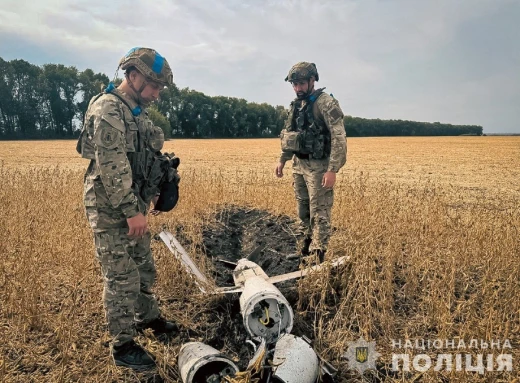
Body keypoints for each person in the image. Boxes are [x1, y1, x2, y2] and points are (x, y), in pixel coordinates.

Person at [76, 47, 178, 370]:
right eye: (154, 86)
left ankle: (147, 317)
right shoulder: (108, 109)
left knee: (144, 267)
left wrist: (162, 178)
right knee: (121, 279)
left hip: (133, 205)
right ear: (133, 76)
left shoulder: (136, 111)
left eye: (160, 88)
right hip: (111, 210)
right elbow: (112, 166)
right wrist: (131, 211)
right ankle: (122, 346)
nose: (157, 94)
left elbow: (143, 156)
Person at [275, 62, 347, 264]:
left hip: (319, 166)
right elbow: (290, 135)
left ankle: (318, 255)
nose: (297, 88)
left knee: (320, 211)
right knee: (303, 210)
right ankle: (304, 249)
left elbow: (339, 137)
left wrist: (332, 169)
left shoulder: (326, 103)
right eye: (294, 84)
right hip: (299, 164)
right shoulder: (296, 105)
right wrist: (283, 160)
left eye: (300, 83)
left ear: (312, 81)